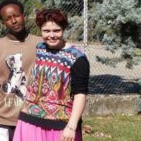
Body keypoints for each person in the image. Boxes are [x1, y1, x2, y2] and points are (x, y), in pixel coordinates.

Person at [13, 9, 89, 141]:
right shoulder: (40, 49)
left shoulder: (77, 57)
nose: (52, 35)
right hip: (29, 119)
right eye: (46, 31)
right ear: (40, 30)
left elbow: (80, 94)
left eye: (56, 30)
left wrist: (71, 126)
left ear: (63, 29)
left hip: (60, 125)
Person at [0, 0, 41, 140]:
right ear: (3, 22)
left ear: (23, 15)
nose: (13, 21)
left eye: (16, 16)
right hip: (5, 120)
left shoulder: (40, 44)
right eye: (8, 18)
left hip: (35, 117)